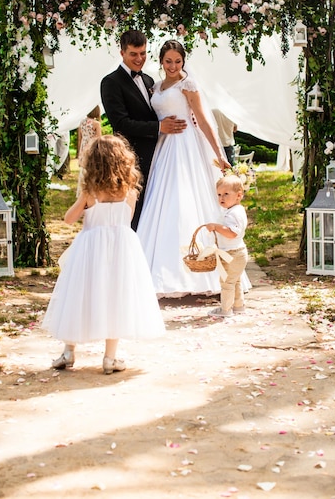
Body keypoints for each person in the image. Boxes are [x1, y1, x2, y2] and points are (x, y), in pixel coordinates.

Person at [42, 135, 166, 374]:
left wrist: (83, 200)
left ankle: (68, 351)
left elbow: (68, 219)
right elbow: (127, 220)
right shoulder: (129, 192)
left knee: (79, 295)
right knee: (116, 297)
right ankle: (110, 358)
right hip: (121, 248)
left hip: (90, 248)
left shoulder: (90, 193)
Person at [137, 39, 231, 298]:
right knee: (160, 201)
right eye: (168, 61)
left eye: (178, 61)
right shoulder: (155, 86)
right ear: (161, 61)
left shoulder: (188, 85)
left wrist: (219, 153)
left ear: (183, 61)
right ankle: (159, 268)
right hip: (164, 147)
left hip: (186, 146)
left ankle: (198, 269)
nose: (173, 66)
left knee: (184, 199)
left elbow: (202, 119)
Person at [100, 30, 186, 229]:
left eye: (143, 53)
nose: (139, 59)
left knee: (153, 210)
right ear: (122, 53)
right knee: (133, 211)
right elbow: (120, 123)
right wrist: (159, 127)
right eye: (133, 54)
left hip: (158, 156)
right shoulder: (111, 82)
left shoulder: (149, 80)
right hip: (131, 158)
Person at [204, 174, 249, 317]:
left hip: (232, 254)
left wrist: (216, 227)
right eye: (219, 194)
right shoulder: (236, 210)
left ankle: (226, 309)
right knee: (235, 281)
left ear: (238, 195)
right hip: (238, 251)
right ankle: (238, 305)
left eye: (226, 194)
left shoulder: (232, 214)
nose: (221, 198)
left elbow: (231, 233)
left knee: (227, 283)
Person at [76, 105, 102, 196]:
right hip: (92, 147)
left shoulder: (82, 122)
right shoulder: (96, 124)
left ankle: (81, 190)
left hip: (84, 146)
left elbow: (80, 138)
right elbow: (99, 139)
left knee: (83, 170)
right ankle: (91, 191)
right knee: (92, 170)